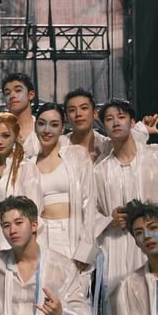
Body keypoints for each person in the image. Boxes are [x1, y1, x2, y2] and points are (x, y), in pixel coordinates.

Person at [91, 98, 158, 315]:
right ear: (103, 126)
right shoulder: (100, 171)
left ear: (132, 122)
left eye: (121, 117)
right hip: (117, 247)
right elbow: (90, 215)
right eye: (109, 119)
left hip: (156, 245)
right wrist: (108, 220)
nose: (115, 123)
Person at [31, 102, 98, 270]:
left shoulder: (77, 155)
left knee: (75, 293)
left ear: (62, 129)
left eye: (54, 125)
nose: (47, 130)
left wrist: (85, 248)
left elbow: (89, 202)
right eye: (41, 124)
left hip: (72, 235)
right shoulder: (29, 163)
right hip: (41, 236)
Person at [0, 112, 42, 257]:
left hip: (15, 247)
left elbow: (34, 212)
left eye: (5, 136)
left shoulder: (26, 168)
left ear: (15, 136)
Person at [64, 88, 111, 162]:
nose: (78, 114)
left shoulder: (108, 146)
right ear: (67, 117)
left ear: (95, 113)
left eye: (84, 108)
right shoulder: (59, 146)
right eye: (72, 110)